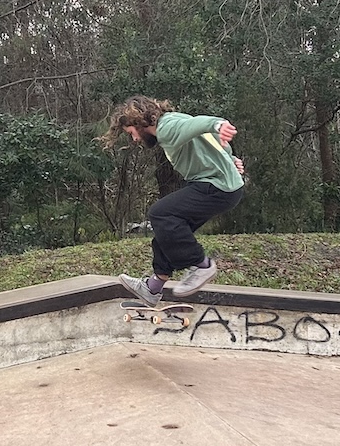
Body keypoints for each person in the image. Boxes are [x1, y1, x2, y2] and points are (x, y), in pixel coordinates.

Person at [105, 95, 245, 304]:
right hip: (220, 186)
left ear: (139, 122)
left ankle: (201, 265)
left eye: (132, 133)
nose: (135, 139)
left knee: (160, 213)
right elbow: (212, 139)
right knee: (167, 230)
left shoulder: (166, 129)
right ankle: (152, 288)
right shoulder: (171, 119)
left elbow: (200, 124)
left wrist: (218, 124)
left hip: (216, 187)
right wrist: (230, 159)